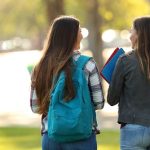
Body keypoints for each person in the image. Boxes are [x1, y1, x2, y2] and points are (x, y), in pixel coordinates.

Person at [30, 15, 105, 150]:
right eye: (80, 30)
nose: (82, 34)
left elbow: (35, 107)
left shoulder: (40, 67)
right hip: (82, 136)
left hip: (51, 137)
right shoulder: (87, 64)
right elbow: (99, 103)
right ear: (72, 36)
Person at [107, 16, 150, 150]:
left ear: (138, 35)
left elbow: (111, 99)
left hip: (133, 128)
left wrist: (114, 79)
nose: (130, 36)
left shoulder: (125, 60)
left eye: (132, 32)